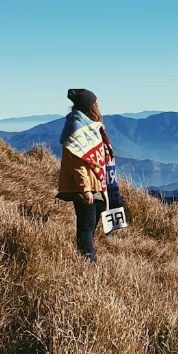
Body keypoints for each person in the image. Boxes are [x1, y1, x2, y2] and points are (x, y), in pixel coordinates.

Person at [57, 88, 113, 262]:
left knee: (90, 226)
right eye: (95, 103)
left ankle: (86, 258)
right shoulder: (76, 128)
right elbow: (77, 163)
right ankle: (89, 264)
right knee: (86, 227)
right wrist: (85, 189)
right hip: (86, 186)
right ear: (90, 106)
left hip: (97, 183)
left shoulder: (89, 127)